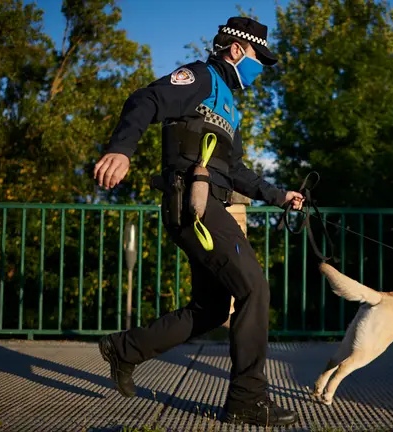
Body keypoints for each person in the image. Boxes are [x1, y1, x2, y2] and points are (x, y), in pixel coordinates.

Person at [92, 17, 304, 427]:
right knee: (254, 288)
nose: (261, 67)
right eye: (259, 57)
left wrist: (280, 197)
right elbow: (146, 99)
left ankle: (125, 349)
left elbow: (238, 172)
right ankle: (247, 399)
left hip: (210, 206)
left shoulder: (229, 107)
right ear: (238, 50)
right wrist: (122, 149)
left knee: (210, 309)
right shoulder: (201, 79)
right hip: (192, 205)